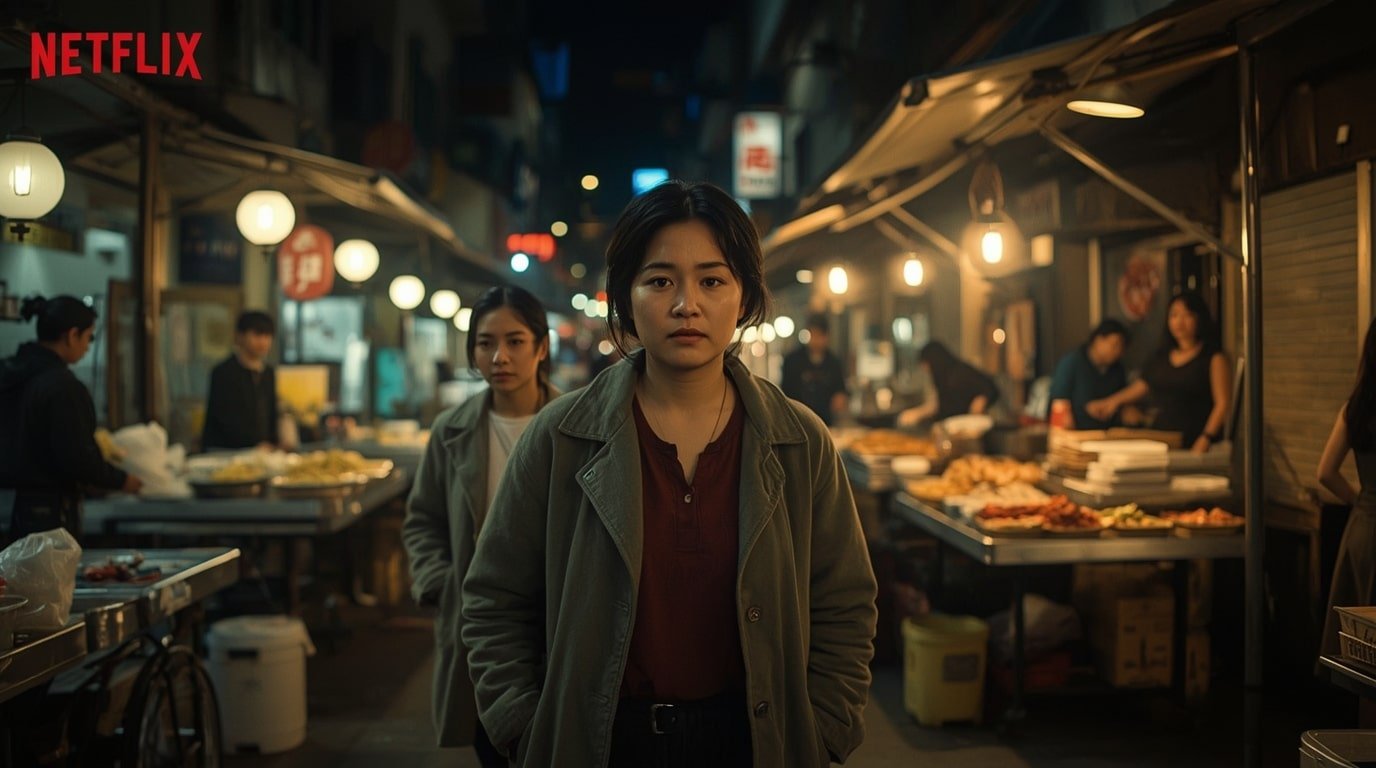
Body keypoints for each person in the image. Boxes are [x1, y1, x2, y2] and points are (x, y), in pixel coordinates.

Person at [461, 180, 877, 767]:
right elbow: (493, 599)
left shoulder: (799, 441)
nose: (687, 304)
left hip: (757, 741)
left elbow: (846, 602)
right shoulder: (561, 437)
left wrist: (826, 727)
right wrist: (525, 728)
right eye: (660, 281)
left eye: (712, 280)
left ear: (745, 295)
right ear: (626, 297)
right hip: (602, 742)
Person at [402, 285, 556, 765]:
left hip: (553, 613)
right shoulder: (452, 430)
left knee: (557, 737)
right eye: (485, 343)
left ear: (541, 347)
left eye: (515, 341)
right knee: (490, 739)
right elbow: (423, 519)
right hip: (480, 620)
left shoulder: (574, 426)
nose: (499, 357)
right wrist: (439, 581)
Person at [0, 296, 141, 541]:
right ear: (71, 335)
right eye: (88, 337)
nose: (88, 347)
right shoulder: (63, 387)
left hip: (8, 509)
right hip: (47, 519)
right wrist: (122, 480)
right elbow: (78, 457)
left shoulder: (8, 373)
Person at [1086, 292, 1231, 452]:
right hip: (1161, 439)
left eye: (1187, 315)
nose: (1179, 322)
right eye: (1174, 315)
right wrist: (1110, 402)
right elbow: (1141, 386)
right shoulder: (1162, 356)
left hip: (1194, 440)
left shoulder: (1213, 358)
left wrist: (1206, 437)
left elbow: (1222, 404)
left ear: (1199, 318)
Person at [1318, 317, 1376, 664]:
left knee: (1362, 657)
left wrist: (1362, 501)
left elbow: (1325, 472)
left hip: (1364, 530)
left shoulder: (1356, 408)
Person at [201, 310, 279, 451]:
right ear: (240, 336)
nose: (263, 341)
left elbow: (271, 412)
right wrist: (254, 445)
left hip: (262, 453)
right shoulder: (223, 372)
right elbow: (224, 418)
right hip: (224, 452)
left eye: (267, 336)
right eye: (257, 335)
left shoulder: (268, 372)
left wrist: (273, 443)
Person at [1048, 319, 1131, 430]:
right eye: (1114, 345)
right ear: (1098, 339)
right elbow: (1059, 403)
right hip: (1077, 434)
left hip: (1109, 435)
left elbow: (1122, 402)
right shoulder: (1072, 362)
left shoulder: (1118, 369)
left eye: (1121, 347)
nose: (1118, 351)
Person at [897, 341, 1000, 427]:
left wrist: (982, 399)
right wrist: (917, 413)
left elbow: (990, 387)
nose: (925, 369)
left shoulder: (961, 372)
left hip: (969, 429)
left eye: (925, 364)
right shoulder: (941, 377)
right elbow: (938, 405)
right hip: (953, 427)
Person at [780, 314, 848, 425]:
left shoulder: (833, 362)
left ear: (827, 336)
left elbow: (840, 390)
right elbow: (785, 392)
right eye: (813, 335)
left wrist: (840, 397)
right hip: (798, 421)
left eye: (820, 336)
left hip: (826, 422)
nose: (816, 341)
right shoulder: (792, 360)